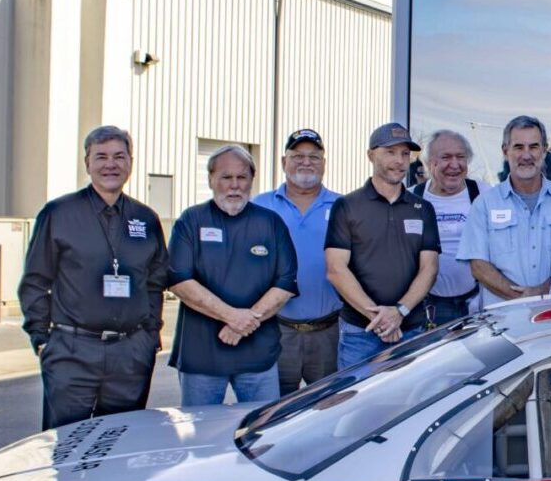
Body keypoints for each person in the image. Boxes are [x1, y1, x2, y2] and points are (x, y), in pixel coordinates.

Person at [19, 125, 169, 429]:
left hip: (130, 355)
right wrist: (42, 339)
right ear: (87, 163)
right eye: (101, 157)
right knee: (65, 447)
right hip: (72, 351)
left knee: (118, 445)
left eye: (119, 156)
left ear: (131, 162)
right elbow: (35, 281)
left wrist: (149, 337)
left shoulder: (145, 218)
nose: (110, 164)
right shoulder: (59, 213)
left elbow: (155, 282)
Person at [167, 145, 297, 406]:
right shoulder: (191, 220)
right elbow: (179, 279)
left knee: (262, 436)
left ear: (252, 180)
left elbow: (285, 283)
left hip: (258, 356)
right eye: (226, 177)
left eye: (242, 177)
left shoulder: (271, 223)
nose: (235, 185)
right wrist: (233, 317)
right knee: (200, 434)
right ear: (211, 180)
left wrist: (242, 323)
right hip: (202, 355)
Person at [325, 123, 442, 371]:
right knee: (355, 406)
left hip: (411, 331)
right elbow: (336, 269)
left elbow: (429, 269)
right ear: (371, 155)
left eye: (404, 154)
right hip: (360, 334)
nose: (399, 161)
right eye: (390, 152)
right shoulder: (347, 206)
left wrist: (399, 312)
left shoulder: (423, 209)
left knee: (409, 405)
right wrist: (378, 319)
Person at [251, 129, 342, 395]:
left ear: (324, 163)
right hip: (276, 330)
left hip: (329, 331)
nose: (306, 162)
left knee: (329, 408)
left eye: (314, 157)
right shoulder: (261, 206)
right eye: (298, 156)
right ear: (283, 162)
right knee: (274, 412)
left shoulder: (342, 206)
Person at [459, 115, 551, 302]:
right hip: (502, 321)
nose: (526, 155)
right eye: (518, 147)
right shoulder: (484, 204)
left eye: (533, 146)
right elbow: (478, 266)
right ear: (505, 150)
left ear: (543, 150)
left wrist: (542, 293)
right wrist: (523, 297)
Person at [413, 129, 482, 324]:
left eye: (461, 157)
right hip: (428, 307)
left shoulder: (483, 194)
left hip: (477, 302)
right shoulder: (412, 198)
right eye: (445, 157)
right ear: (428, 163)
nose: (454, 164)